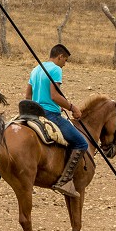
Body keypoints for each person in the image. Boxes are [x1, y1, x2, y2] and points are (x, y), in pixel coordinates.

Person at [24, 43, 88, 198]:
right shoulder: (56, 69)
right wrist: (73, 108)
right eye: (65, 60)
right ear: (60, 56)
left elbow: (27, 96)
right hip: (50, 114)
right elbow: (54, 96)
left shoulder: (36, 69)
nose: (64, 64)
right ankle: (65, 181)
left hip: (34, 112)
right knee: (82, 143)